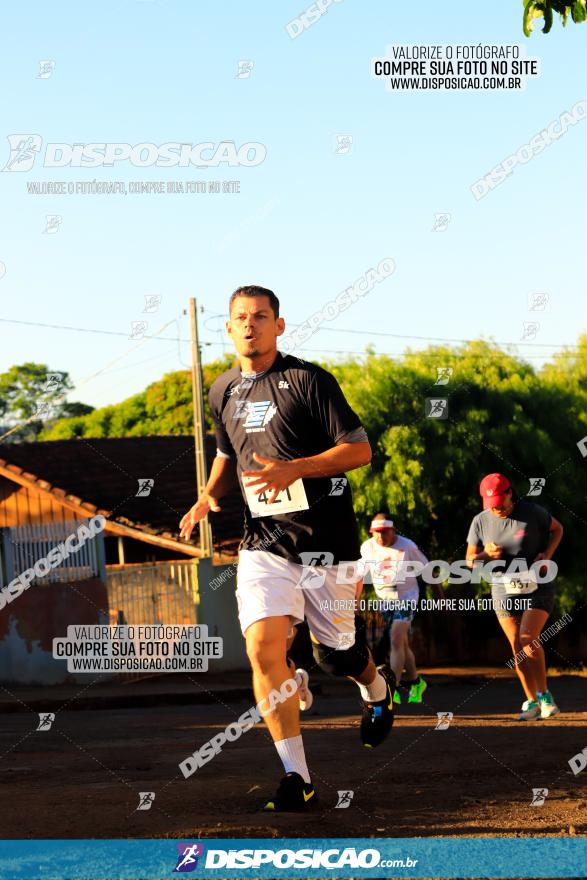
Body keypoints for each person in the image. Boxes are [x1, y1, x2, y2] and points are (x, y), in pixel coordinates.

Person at [179, 285, 394, 812]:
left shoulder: (307, 380)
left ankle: (377, 688)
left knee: (336, 654)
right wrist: (208, 496)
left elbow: (361, 449)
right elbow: (229, 456)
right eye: (240, 318)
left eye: (260, 316)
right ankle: (297, 776)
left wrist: (295, 468)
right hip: (263, 547)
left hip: (328, 547)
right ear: (227, 329)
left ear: (278, 325)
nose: (250, 325)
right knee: (262, 648)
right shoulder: (221, 390)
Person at [465, 473, 564, 721]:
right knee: (517, 647)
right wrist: (485, 555)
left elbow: (558, 529)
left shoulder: (533, 512)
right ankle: (531, 701)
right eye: (491, 504)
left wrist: (548, 555)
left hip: (537, 583)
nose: (497, 508)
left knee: (528, 637)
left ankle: (545, 697)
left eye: (500, 501)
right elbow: (469, 561)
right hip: (503, 587)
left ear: (510, 493)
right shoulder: (480, 521)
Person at [356, 513, 429, 704]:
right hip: (384, 600)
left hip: (406, 597)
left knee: (395, 638)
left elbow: (427, 570)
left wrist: (439, 596)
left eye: (384, 532)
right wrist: (355, 601)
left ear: (392, 530)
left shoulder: (407, 546)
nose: (380, 536)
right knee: (402, 643)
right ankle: (415, 682)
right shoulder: (367, 547)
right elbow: (359, 576)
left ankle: (391, 688)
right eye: (376, 533)